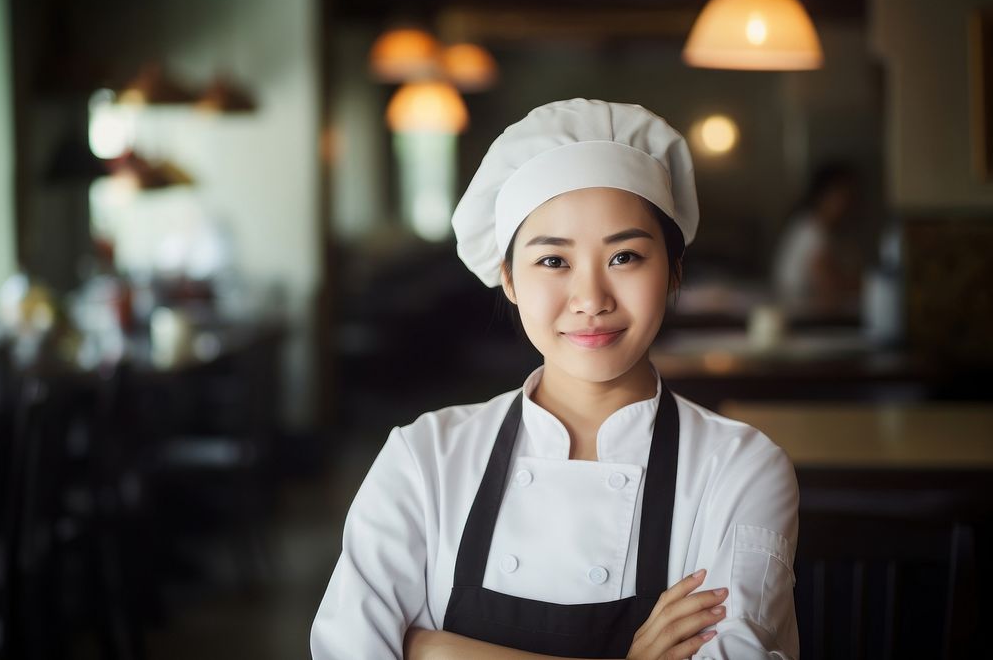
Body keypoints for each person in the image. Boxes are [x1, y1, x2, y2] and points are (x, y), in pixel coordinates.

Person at [311, 99, 799, 659]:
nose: (591, 300)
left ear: (674, 272)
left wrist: (435, 651)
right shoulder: (424, 458)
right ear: (509, 280)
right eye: (552, 261)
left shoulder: (741, 468)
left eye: (625, 257)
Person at [773, 162, 863, 317]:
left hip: (799, 314)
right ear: (826, 195)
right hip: (802, 318)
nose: (850, 204)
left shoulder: (808, 225)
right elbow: (829, 285)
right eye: (845, 196)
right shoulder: (813, 231)